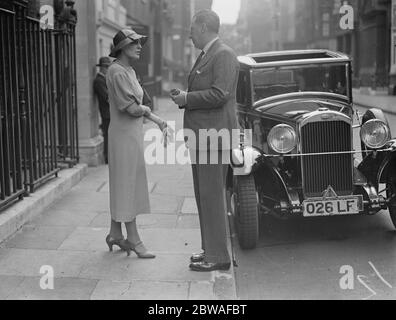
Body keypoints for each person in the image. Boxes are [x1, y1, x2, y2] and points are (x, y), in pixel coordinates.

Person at [171, 10, 240, 272]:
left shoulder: (223, 54)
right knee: (204, 196)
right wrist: (186, 97)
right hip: (203, 137)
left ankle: (218, 256)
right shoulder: (208, 54)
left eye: (191, 28)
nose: (189, 33)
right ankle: (210, 249)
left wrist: (188, 98)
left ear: (202, 27)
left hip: (214, 137)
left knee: (211, 196)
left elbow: (220, 94)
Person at [105, 28, 168, 258]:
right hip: (123, 136)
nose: (140, 46)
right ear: (122, 48)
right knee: (127, 185)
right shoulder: (117, 72)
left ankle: (114, 233)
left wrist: (157, 120)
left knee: (125, 183)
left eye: (140, 42)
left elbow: (135, 107)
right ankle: (133, 238)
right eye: (135, 43)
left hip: (130, 135)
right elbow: (131, 108)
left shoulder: (128, 70)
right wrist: (151, 112)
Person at [93, 56, 111, 164]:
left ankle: (110, 156)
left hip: (109, 113)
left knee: (110, 136)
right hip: (106, 113)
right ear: (102, 68)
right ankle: (107, 158)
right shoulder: (99, 80)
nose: (108, 69)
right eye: (106, 67)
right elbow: (107, 97)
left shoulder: (104, 79)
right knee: (108, 136)